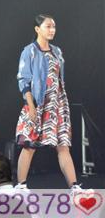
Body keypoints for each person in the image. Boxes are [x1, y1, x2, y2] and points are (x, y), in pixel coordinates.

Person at [15, 14, 83, 191]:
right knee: (30, 145)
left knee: (63, 146)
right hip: (38, 103)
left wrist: (61, 104)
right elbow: (24, 80)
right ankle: (21, 186)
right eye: (48, 26)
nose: (52, 30)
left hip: (57, 104)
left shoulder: (57, 51)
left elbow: (59, 79)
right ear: (37, 29)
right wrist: (31, 106)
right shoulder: (30, 51)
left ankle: (74, 187)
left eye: (53, 26)